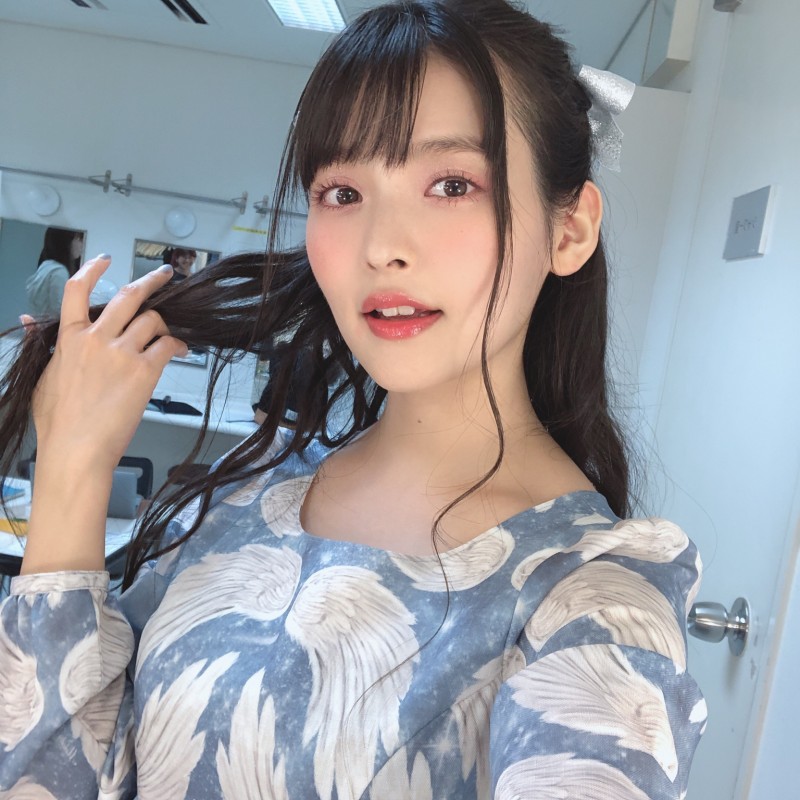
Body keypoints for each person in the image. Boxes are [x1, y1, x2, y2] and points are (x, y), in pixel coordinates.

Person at [0, 0, 706, 797]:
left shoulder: (594, 602)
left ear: (569, 229)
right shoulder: (248, 492)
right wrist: (73, 464)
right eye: (341, 191)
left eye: (451, 184)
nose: (381, 246)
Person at [24, 227, 84, 318]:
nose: (81, 244)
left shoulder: (46, 266)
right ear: (65, 241)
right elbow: (58, 313)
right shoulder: (59, 272)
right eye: (78, 239)